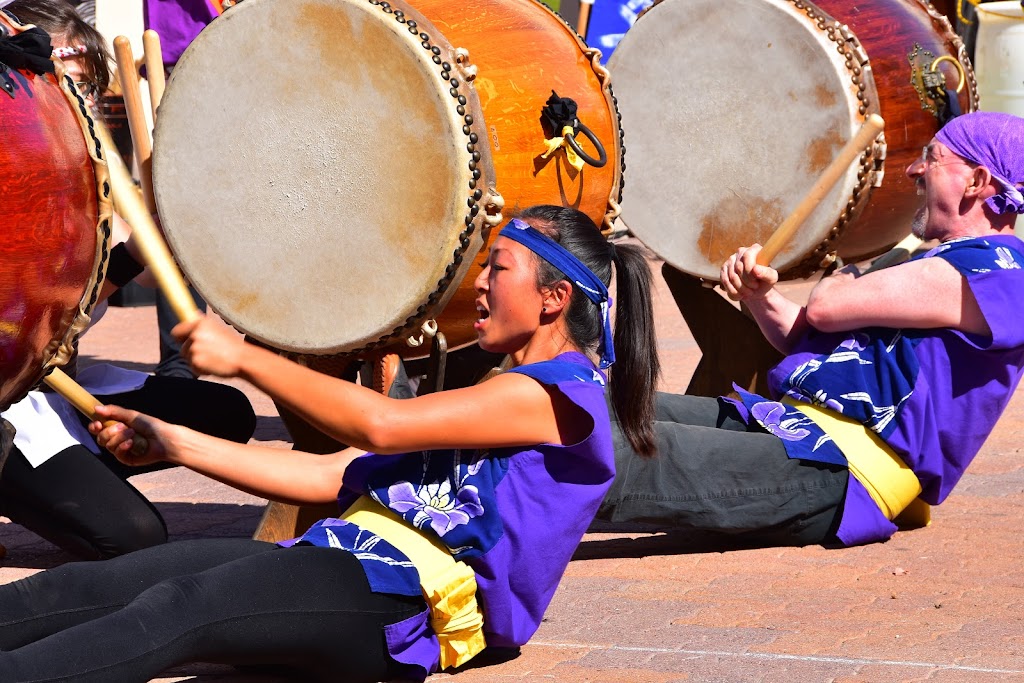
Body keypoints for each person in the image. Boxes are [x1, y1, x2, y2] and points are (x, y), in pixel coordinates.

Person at [0, 205, 659, 682]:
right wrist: (173, 441)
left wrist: (244, 357)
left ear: (554, 298)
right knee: (101, 583)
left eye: (499, 267)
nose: (480, 282)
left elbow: (380, 425)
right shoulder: (504, 385)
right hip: (345, 555)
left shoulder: (556, 395)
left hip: (400, 601)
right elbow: (331, 474)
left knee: (181, 607)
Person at [598, 111, 1024, 548]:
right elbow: (804, 336)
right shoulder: (940, 267)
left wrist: (847, 270)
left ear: (975, 181)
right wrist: (758, 296)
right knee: (596, 406)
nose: (915, 169)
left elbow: (824, 307)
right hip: (797, 429)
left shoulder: (999, 272)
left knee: (603, 449)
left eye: (931, 158)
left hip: (840, 470)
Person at [0, 0, 257, 561]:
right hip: (9, 397)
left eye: (87, 93)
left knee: (225, 414)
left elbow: (70, 313)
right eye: (71, 91)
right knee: (133, 537)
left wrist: (146, 245)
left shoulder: (77, 175)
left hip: (54, 378)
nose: (83, 109)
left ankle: (81, 472)